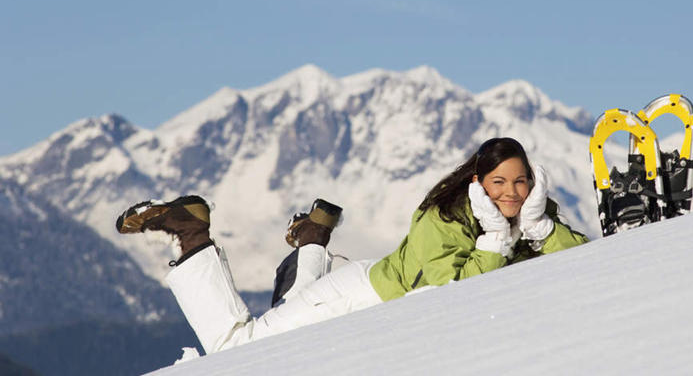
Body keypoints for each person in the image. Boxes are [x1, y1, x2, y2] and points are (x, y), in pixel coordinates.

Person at [116, 137, 588, 355]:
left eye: (521, 182)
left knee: (288, 317)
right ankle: (191, 230)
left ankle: (313, 238)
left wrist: (540, 228)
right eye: (499, 182)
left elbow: (586, 263)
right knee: (239, 350)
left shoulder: (524, 220)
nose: (511, 193)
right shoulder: (441, 219)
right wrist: (493, 241)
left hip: (369, 304)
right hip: (355, 300)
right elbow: (453, 294)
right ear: (477, 182)